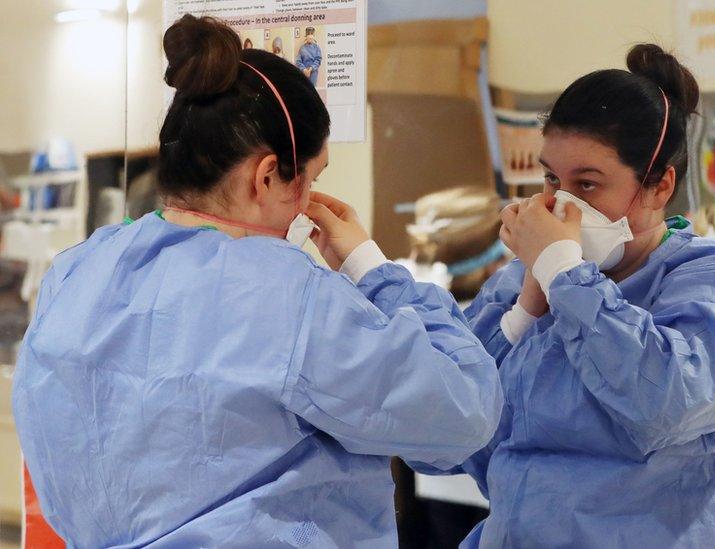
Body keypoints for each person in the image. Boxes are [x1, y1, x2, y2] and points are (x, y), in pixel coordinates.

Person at [12, 15, 502, 548]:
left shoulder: (76, 272)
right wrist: (372, 269)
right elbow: (462, 414)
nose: (311, 199)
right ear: (266, 176)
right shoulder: (289, 295)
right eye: (311, 179)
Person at [421, 44, 715, 547]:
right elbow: (434, 439)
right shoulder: (523, 279)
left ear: (658, 187)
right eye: (552, 178)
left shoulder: (709, 280)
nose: (561, 204)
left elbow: (667, 403)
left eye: (588, 184)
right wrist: (523, 312)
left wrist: (568, 277)